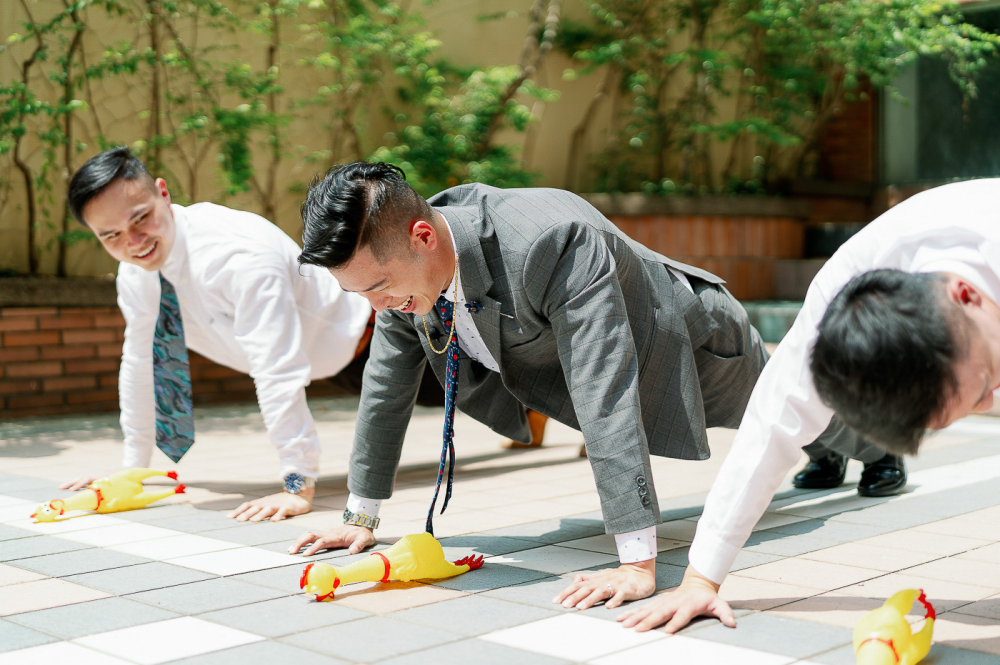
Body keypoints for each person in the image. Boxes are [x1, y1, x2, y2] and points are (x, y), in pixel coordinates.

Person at [284, 161, 883, 606]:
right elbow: (386, 385)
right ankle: (825, 454)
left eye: (378, 286)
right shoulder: (399, 279)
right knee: (795, 428)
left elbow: (606, 385)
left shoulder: (550, 239)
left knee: (790, 408)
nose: (377, 305)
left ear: (422, 236)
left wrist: (636, 561)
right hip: (592, 362)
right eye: (358, 293)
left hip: (685, 342)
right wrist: (359, 517)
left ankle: (877, 451)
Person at [618, 178, 1000, 633]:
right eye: (981, 401)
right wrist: (702, 578)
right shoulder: (841, 306)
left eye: (986, 385)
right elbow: (770, 427)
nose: (995, 398)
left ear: (967, 295)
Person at [60, 146, 374, 522]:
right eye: (111, 236)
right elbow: (142, 364)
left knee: (463, 395)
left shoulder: (238, 255)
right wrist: (132, 474)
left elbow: (276, 368)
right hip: (323, 362)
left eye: (141, 218)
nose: (134, 242)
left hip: (372, 340)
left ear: (163, 192)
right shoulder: (136, 274)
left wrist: (296, 484)